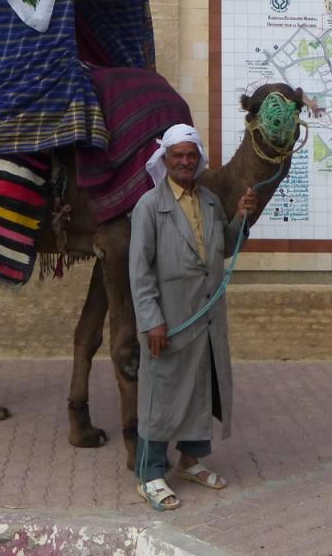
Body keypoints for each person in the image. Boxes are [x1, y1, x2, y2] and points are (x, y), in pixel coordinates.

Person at [128, 123, 258, 510]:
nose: (184, 162)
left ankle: (190, 461)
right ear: (165, 160)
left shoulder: (211, 202)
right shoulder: (149, 207)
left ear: (198, 160)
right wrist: (151, 320)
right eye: (177, 156)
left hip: (206, 316)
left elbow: (221, 250)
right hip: (168, 320)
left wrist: (242, 219)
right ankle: (149, 474)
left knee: (202, 387)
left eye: (190, 156)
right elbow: (139, 271)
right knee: (160, 394)